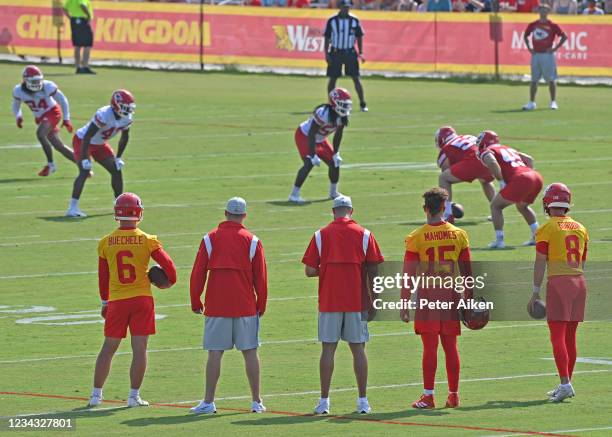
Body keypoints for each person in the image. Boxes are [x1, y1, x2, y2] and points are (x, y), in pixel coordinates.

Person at [88, 192, 177, 408]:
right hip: (141, 300)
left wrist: (105, 302)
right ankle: (133, 397)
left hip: (117, 301)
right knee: (140, 349)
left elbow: (103, 278)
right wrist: (165, 283)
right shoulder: (147, 240)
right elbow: (170, 269)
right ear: (139, 213)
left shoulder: (105, 242)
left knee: (108, 348)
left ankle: (95, 396)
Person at [302, 195, 384, 415]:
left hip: (329, 301)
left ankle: (324, 401)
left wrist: (327, 271)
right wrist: (375, 299)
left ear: (333, 211)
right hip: (357, 301)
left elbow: (309, 270)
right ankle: (363, 401)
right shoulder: (365, 235)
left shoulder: (320, 235)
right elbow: (374, 271)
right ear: (351, 211)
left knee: (328, 349)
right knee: (358, 350)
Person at [190, 197, 268, 414]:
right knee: (250, 352)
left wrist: (195, 300)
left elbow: (198, 273)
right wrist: (261, 304)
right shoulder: (252, 241)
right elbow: (260, 278)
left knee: (215, 353)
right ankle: (256, 401)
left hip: (216, 305)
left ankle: (208, 401)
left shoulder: (209, 239)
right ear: (244, 215)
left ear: (225, 213)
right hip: (245, 306)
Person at [400, 188, 472, 409]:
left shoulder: (416, 237)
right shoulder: (459, 234)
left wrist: (404, 303)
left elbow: (408, 273)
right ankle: (453, 395)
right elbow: (468, 272)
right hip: (451, 293)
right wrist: (468, 299)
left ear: (425, 209)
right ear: (443, 207)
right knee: (451, 347)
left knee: (429, 347)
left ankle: (428, 396)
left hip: (428, 296)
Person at [530, 183, 588, 402]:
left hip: (559, 283)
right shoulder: (581, 227)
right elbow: (583, 260)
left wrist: (535, 291)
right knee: (570, 337)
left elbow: (540, 262)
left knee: (557, 336)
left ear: (547, 203)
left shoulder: (546, 229)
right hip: (579, 281)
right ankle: (566, 383)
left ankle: (565, 383)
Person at [66, 89, 135, 218]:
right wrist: (85, 158)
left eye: (129, 108)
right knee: (84, 171)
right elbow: (87, 136)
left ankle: (119, 205)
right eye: (125, 107)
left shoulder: (127, 118)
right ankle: (72, 208)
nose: (128, 111)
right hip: (83, 141)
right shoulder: (104, 114)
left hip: (99, 143)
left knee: (116, 169)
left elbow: (124, 137)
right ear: (116, 105)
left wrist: (118, 157)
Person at [476, 130, 542, 249]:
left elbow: (491, 161)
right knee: (522, 206)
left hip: (521, 178)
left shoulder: (486, 151)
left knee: (495, 206)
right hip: (535, 176)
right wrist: (528, 175)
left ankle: (499, 241)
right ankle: (538, 236)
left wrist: (501, 181)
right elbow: (529, 160)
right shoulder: (507, 148)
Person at [289, 88, 351, 204]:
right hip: (305, 135)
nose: (345, 108)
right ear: (334, 103)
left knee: (334, 162)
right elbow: (312, 133)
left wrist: (336, 153)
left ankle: (333, 193)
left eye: (347, 105)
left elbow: (338, 135)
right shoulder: (324, 113)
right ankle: (294, 195)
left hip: (320, 139)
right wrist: (312, 154)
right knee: (309, 163)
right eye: (342, 104)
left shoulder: (342, 116)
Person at [12, 65, 76, 176]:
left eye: (38, 80)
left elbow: (63, 100)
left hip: (53, 112)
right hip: (40, 118)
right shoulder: (19, 90)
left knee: (40, 134)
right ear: (25, 80)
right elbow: (16, 105)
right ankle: (84, 165)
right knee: (58, 146)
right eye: (34, 81)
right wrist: (18, 116)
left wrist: (66, 118)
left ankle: (51, 165)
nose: (37, 83)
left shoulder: (47, 86)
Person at [435, 126, 495, 222]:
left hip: (473, 161)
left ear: (441, 139)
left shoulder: (447, 147)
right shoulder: (468, 136)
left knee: (443, 178)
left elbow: (445, 172)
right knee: (486, 181)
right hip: (487, 158)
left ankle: (447, 214)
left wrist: (447, 203)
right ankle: (496, 211)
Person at [324, 0, 368, 112]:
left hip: (350, 52)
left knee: (356, 78)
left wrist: (361, 52)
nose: (346, 9)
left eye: (348, 7)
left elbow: (359, 36)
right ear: (339, 7)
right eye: (344, 7)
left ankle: (363, 103)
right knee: (333, 78)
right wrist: (326, 53)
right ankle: (331, 103)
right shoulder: (332, 20)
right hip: (336, 52)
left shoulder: (354, 20)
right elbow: (327, 37)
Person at [522, 4, 567, 111]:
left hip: (547, 55)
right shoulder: (533, 24)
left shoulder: (552, 25)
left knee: (551, 79)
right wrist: (529, 48)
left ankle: (553, 102)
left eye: (545, 10)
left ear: (548, 11)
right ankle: (531, 102)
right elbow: (525, 35)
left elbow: (564, 36)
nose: (543, 11)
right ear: (538, 11)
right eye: (541, 9)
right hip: (536, 55)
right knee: (534, 80)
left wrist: (555, 48)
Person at [63, 0, 95, 74]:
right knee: (87, 44)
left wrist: (70, 17)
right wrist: (89, 15)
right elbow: (82, 5)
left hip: (74, 20)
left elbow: (64, 8)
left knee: (77, 45)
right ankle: (85, 66)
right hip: (82, 20)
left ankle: (78, 67)